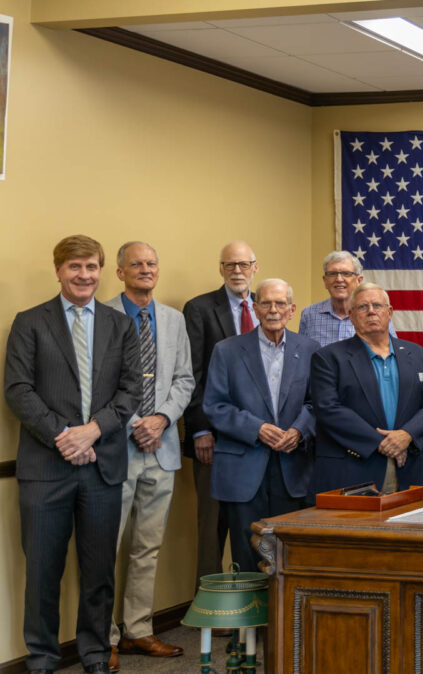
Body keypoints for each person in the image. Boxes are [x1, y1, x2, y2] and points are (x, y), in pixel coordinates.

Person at [5, 235, 140, 674]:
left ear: (103, 271)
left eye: (92, 267)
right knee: (43, 573)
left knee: (99, 574)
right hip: (46, 469)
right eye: (75, 267)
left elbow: (131, 391)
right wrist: (64, 436)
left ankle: (96, 655)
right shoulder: (29, 322)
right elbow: (18, 390)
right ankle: (42, 659)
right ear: (59, 270)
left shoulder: (120, 325)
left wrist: (93, 431)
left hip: (102, 468)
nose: (84, 275)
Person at [102, 242, 193, 670]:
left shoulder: (174, 320)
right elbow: (98, 385)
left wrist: (160, 419)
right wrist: (138, 422)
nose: (145, 269)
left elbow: (184, 379)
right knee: (104, 546)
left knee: (147, 547)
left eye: (151, 263)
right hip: (117, 448)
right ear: (119, 272)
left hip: (162, 450)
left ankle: (138, 630)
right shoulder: (100, 315)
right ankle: (104, 639)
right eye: (136, 264)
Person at [203, 279, 318, 574]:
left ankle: (282, 622)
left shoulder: (310, 350)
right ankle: (249, 621)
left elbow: (318, 403)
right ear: (255, 308)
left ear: (292, 310)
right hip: (243, 471)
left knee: (289, 557)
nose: (273, 310)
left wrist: (299, 430)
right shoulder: (226, 351)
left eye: (280, 304)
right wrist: (256, 428)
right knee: (246, 554)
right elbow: (215, 405)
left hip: (293, 469)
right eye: (266, 303)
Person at [309, 283, 423, 494]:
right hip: (353, 467)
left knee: (407, 525)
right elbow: (328, 408)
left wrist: (407, 434)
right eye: (363, 307)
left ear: (389, 312)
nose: (371, 311)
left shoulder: (418, 355)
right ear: (351, 315)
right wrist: (382, 442)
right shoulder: (328, 358)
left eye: (377, 305)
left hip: (407, 467)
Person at [182, 241, 258, 586]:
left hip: (258, 438)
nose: (237, 271)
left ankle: (251, 607)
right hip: (214, 436)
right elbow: (192, 373)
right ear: (221, 269)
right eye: (230, 265)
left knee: (253, 524)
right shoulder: (199, 309)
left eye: (243, 265)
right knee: (212, 527)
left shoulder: (266, 306)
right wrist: (200, 430)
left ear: (255, 268)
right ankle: (210, 611)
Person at [298, 250, 396, 347]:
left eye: (346, 273)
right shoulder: (309, 314)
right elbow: (301, 354)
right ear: (325, 281)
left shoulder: (375, 315)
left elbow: (391, 351)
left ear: (359, 280)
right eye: (332, 274)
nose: (339, 279)